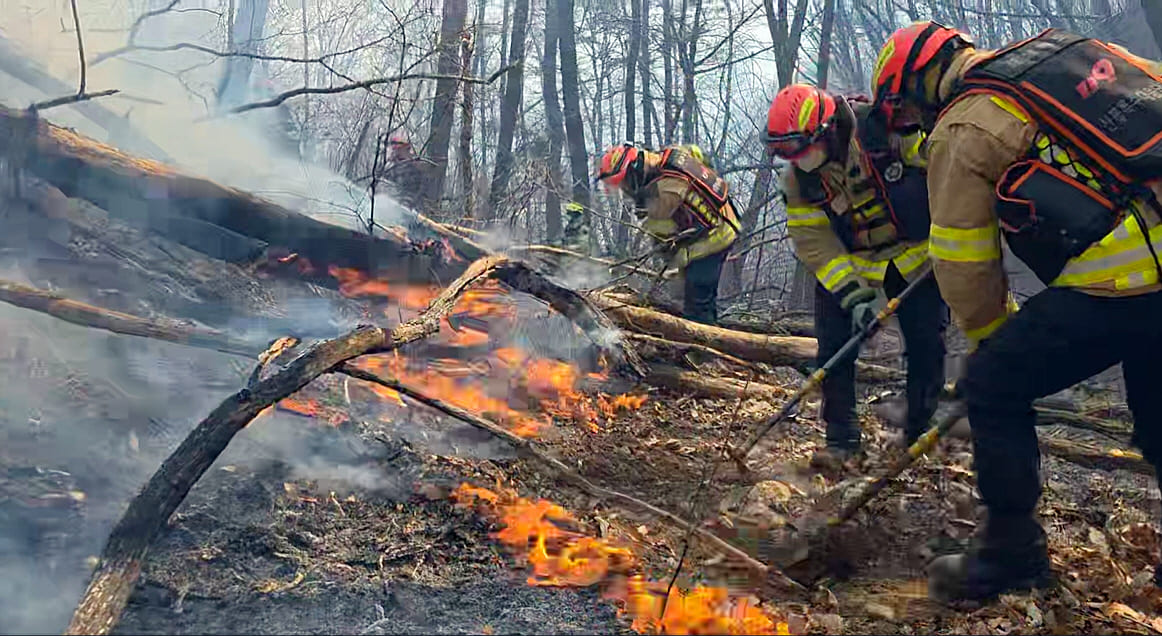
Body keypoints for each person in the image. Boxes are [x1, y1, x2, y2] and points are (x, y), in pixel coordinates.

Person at [870, 21, 1162, 603]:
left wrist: (990, 336)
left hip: (1128, 277)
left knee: (993, 384)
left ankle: (1012, 555)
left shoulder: (964, 124)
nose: (910, 124)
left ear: (919, 86)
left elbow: (962, 256)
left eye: (905, 111)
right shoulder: (1069, 52)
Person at [765, 83, 947, 469]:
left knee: (927, 344)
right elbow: (816, 244)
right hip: (856, 263)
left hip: (918, 258)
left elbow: (945, 167)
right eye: (786, 153)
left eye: (800, 149)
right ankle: (842, 440)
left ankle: (919, 432)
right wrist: (855, 297)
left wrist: (955, 231)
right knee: (833, 347)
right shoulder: (798, 181)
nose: (796, 160)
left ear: (827, 129)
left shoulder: (887, 131)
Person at [596, 143, 740, 325]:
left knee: (697, 304)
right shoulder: (672, 155)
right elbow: (697, 153)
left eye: (623, 185)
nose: (625, 191)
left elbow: (662, 235)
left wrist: (671, 263)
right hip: (725, 215)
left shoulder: (664, 192)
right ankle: (712, 328)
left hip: (714, 239)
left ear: (633, 172)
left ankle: (703, 339)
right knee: (701, 296)